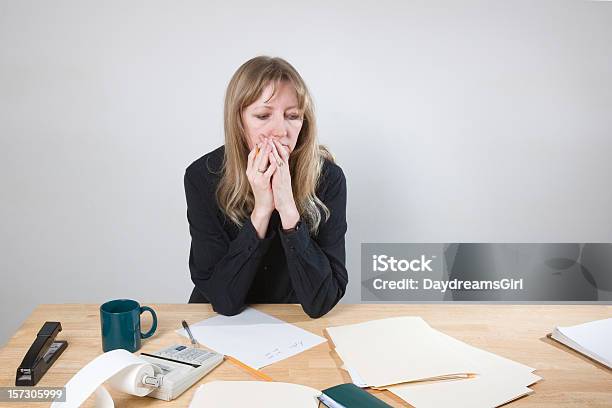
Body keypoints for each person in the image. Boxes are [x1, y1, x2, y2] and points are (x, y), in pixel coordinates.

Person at [184, 56, 348, 318]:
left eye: (292, 116)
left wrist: (287, 208)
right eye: (263, 116)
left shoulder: (329, 178)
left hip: (291, 321)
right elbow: (223, 300)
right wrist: (262, 210)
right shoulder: (202, 177)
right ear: (239, 120)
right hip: (219, 324)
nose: (280, 130)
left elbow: (322, 301)